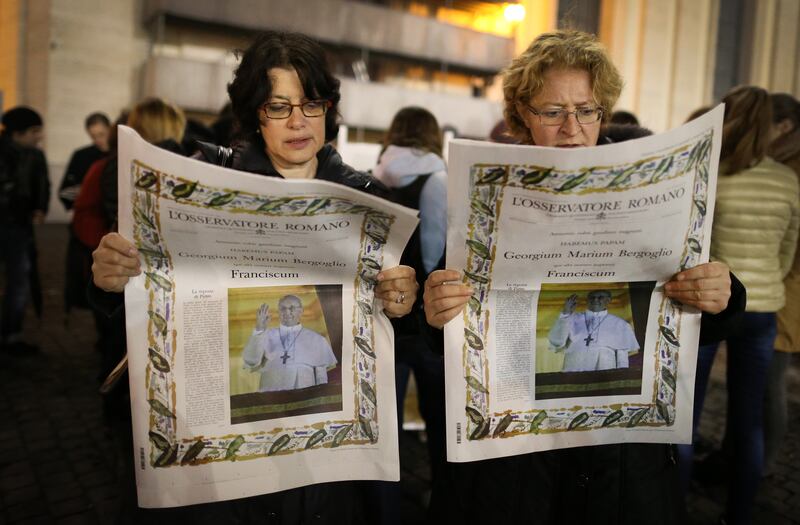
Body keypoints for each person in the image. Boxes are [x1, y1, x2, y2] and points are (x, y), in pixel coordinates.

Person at [90, 30, 418, 523]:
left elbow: (397, 332)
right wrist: (116, 282)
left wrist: (404, 302)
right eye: (277, 106)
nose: (297, 121)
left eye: (310, 104)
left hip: (328, 466)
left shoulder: (369, 201)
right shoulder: (199, 185)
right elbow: (148, 317)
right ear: (252, 113)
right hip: (227, 467)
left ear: (330, 108)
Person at [422, 30, 744, 525]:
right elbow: (450, 327)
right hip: (519, 468)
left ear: (603, 112)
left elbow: (690, 313)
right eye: (552, 111)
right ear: (521, 115)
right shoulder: (488, 198)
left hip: (621, 465)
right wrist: (436, 308)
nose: (572, 127)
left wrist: (723, 294)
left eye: (587, 109)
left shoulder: (651, 188)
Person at [679, 86, 799, 525]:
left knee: (686, 422)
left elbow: (696, 248)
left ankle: (674, 508)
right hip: (764, 309)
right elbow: (787, 251)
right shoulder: (786, 179)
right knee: (749, 423)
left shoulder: (711, 173)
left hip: (712, 307)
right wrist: (765, 280)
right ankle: (740, 516)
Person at [764, 92, 800, 473]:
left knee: (772, 382)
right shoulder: (781, 162)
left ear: (784, 127)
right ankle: (742, 457)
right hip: (778, 285)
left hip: (786, 291)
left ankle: (764, 465)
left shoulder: (793, 167)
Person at [0, 106, 50, 354]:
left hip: (19, 227)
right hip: (8, 222)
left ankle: (12, 334)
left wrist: (40, 207)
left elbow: (42, 183)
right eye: (34, 131)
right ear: (18, 133)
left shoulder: (35, 155)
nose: (39, 136)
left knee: (19, 279)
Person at [242, 295, 338, 392]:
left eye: (292, 308)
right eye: (283, 308)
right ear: (278, 312)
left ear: (301, 311)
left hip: (303, 395)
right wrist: (259, 330)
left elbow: (321, 377)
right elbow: (251, 360)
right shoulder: (266, 335)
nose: (287, 312)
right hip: (271, 394)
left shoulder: (317, 339)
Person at [548, 290, 639, 372]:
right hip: (574, 364)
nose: (595, 300)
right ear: (587, 300)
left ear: (608, 300)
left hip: (604, 366)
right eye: (592, 297)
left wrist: (621, 376)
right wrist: (566, 313)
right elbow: (557, 341)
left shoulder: (620, 324)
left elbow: (622, 356)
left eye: (600, 297)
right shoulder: (572, 318)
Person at [58, 112, 111, 209]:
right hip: (88, 213)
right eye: (93, 136)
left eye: (101, 134)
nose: (98, 140)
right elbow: (64, 192)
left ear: (110, 129)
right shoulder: (80, 156)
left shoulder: (121, 153)